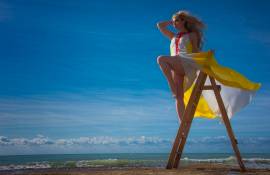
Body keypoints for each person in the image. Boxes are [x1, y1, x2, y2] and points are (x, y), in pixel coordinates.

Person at [156, 10, 261, 122]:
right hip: (176, 67)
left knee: (161, 59)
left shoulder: (192, 35)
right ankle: (183, 123)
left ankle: (171, 85)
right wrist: (171, 21)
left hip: (186, 62)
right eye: (174, 21)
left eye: (176, 21)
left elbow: (196, 51)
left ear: (184, 21)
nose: (174, 23)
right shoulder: (173, 36)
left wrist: (205, 57)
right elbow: (159, 25)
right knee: (178, 97)